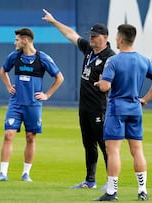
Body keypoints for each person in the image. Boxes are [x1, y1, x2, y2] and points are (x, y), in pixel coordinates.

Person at [42, 9, 115, 189]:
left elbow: (117, 80)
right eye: (90, 35)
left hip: (100, 107)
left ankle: (111, 182)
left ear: (105, 37)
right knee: (88, 143)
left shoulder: (111, 57)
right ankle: (90, 180)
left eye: (95, 36)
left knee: (104, 145)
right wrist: (54, 21)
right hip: (85, 106)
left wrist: (107, 85)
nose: (91, 38)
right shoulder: (90, 50)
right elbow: (71, 34)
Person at [94, 24, 152, 201]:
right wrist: (145, 99)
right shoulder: (143, 60)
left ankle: (111, 191)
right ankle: (142, 190)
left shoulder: (113, 61)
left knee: (113, 151)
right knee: (137, 150)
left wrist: (99, 82)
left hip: (117, 109)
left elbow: (106, 86)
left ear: (120, 39)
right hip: (135, 109)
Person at [0, 27, 64, 182]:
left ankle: (26, 174)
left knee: (30, 137)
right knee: (8, 135)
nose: (14, 42)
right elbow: (3, 71)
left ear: (25, 40)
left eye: (17, 39)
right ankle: (3, 173)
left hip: (33, 105)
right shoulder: (14, 56)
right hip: (16, 104)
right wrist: (9, 87)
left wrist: (47, 95)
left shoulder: (42, 58)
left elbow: (59, 78)